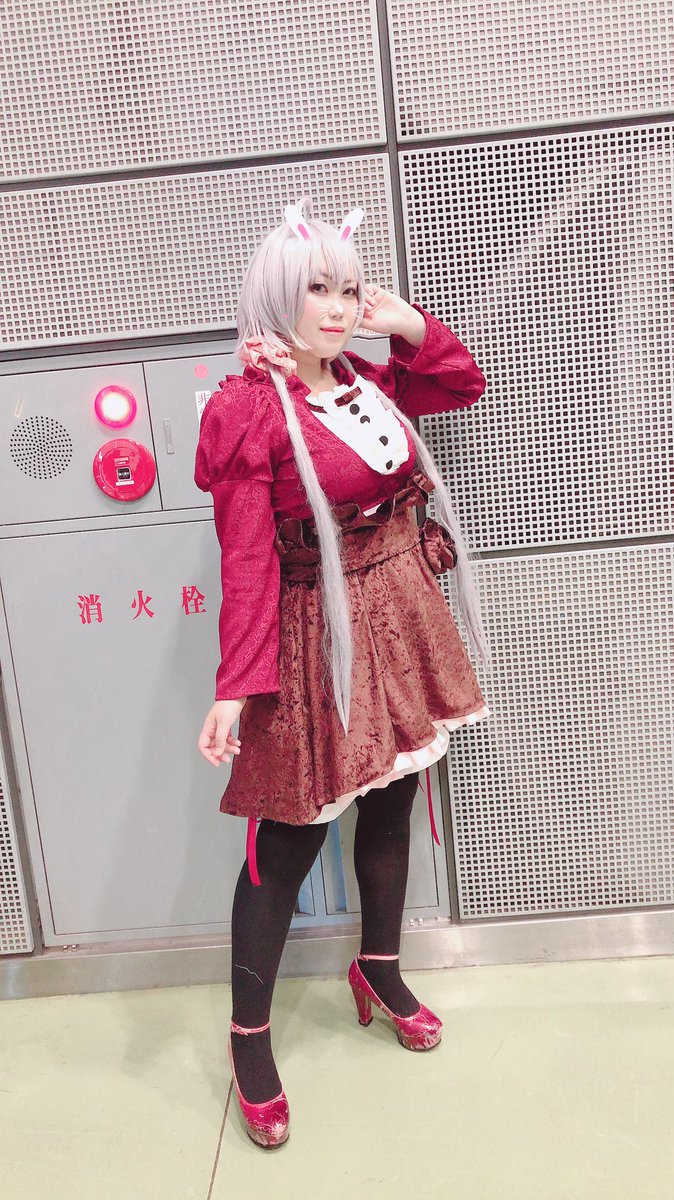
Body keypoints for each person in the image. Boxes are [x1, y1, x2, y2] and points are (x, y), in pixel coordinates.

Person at [194, 197, 491, 1148]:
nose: (337, 305)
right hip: (316, 633)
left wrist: (406, 324)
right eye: (316, 287)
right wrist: (236, 686)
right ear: (276, 295)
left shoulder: (369, 378)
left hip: (402, 611)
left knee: (394, 801)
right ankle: (249, 1038)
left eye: (348, 288)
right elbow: (247, 559)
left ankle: (380, 967)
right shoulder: (249, 408)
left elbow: (462, 384)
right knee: (287, 841)